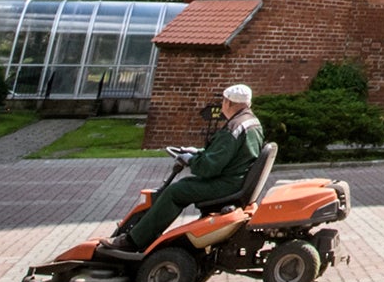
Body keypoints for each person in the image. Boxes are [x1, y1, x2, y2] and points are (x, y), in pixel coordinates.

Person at [104, 84, 265, 256]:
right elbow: (228, 155)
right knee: (184, 185)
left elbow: (208, 167)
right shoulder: (251, 122)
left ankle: (133, 241)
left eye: (223, 101)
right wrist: (198, 153)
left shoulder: (233, 128)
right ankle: (144, 236)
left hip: (227, 184)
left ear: (229, 103)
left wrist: (191, 160)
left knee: (175, 192)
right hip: (236, 180)